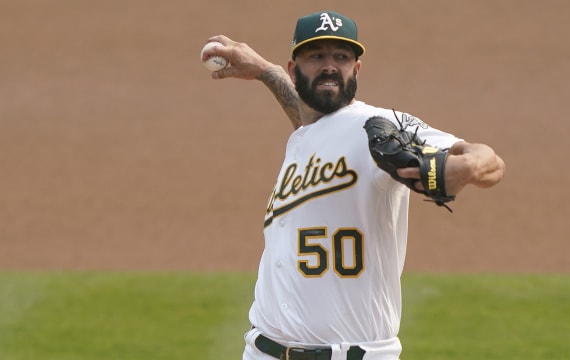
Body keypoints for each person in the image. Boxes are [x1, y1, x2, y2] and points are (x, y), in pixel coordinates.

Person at [203, 10, 506, 360]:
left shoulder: (376, 125)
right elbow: (313, 122)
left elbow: (490, 161)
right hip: (263, 351)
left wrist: (464, 167)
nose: (330, 66)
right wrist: (265, 72)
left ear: (356, 69)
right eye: (316, 56)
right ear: (293, 69)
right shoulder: (307, 136)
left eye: (342, 57)